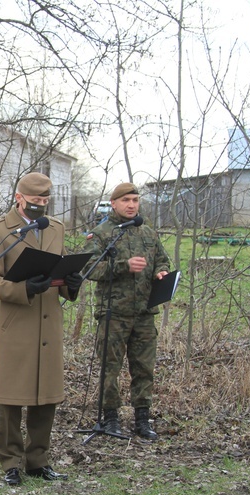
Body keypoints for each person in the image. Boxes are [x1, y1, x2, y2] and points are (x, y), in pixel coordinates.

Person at [0, 173, 83, 486]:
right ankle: (10, 461)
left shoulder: (57, 228)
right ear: (18, 197)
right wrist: (23, 287)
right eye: (34, 199)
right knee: (11, 397)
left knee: (46, 395)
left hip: (49, 322)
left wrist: (71, 285)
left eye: (45, 199)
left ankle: (38, 460)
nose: (40, 205)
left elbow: (60, 271)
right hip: (17, 322)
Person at [82, 182, 170, 441]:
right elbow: (89, 269)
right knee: (110, 368)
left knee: (144, 368)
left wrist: (160, 272)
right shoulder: (101, 234)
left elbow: (162, 259)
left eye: (135, 200)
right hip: (113, 313)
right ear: (114, 203)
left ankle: (142, 419)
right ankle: (110, 418)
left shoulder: (149, 233)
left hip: (144, 312)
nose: (132, 205)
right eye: (126, 201)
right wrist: (123, 266)